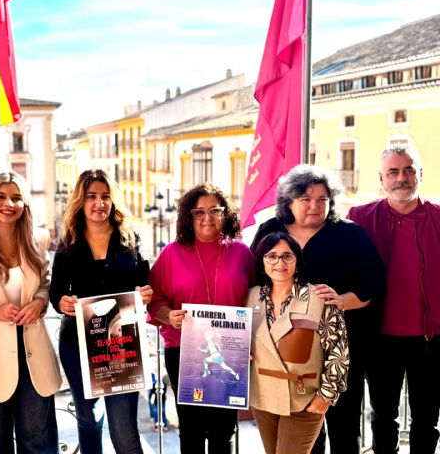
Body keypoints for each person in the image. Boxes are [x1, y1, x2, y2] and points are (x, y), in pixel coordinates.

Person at [250, 164, 386, 454]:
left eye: (322, 199)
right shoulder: (270, 230)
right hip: (285, 358)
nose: (315, 206)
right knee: (302, 435)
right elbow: (252, 284)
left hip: (339, 348)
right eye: (306, 199)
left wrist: (339, 301)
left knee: (344, 427)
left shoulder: (350, 234)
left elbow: (373, 285)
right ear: (289, 202)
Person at [49, 169, 152, 454]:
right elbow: (56, 291)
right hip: (77, 344)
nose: (99, 203)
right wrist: (63, 303)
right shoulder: (68, 242)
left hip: (122, 344)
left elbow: (144, 281)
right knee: (88, 419)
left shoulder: (130, 237)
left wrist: (145, 292)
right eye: (91, 196)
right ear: (80, 202)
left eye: (105, 196)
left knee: (124, 428)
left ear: (113, 200)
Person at [148, 183, 255, 453]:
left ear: (225, 214)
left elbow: (256, 300)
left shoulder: (242, 253)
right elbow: (155, 301)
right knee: (192, 431)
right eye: (199, 212)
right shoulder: (171, 254)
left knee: (224, 431)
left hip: (231, 352)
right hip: (183, 353)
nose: (207, 218)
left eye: (214, 210)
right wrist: (169, 316)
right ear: (189, 217)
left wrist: (252, 341)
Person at [348, 144, 440, 454]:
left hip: (431, 337)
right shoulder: (360, 218)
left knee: (428, 418)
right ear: (381, 179)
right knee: (383, 417)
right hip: (380, 337)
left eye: (409, 170)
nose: (402, 178)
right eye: (393, 172)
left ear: (420, 175)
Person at [0, 171, 61, 454]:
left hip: (34, 355)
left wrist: (40, 303)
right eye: (2, 196)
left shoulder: (39, 239)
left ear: (25, 203)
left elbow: (45, 284)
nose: (9, 204)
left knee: (40, 444)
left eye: (16, 198)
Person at [248, 232, 349, 454]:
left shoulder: (320, 296)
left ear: (297, 260)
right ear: (262, 260)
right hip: (263, 398)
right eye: (271, 256)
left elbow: (338, 351)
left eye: (287, 256)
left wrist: (326, 397)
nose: (279, 263)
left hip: (305, 400)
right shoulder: (250, 297)